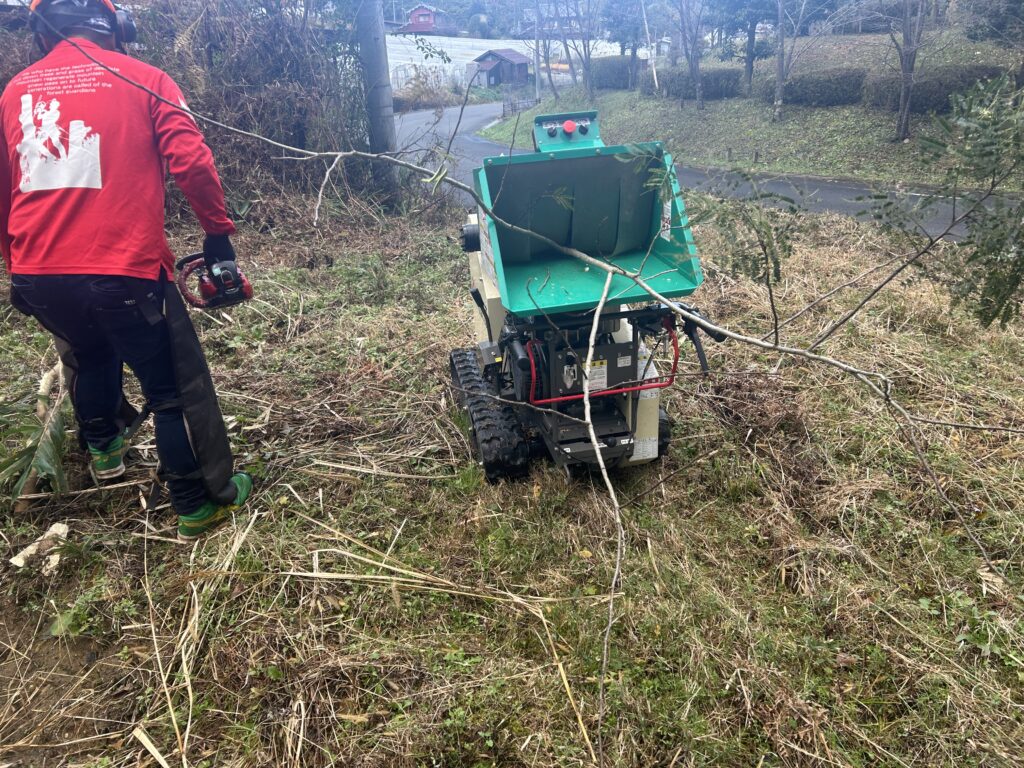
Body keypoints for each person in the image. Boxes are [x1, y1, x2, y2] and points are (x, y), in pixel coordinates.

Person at [0, 0, 252, 541]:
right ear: (116, 26)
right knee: (170, 390)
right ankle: (197, 505)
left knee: (91, 353)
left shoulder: (16, 90)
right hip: (123, 271)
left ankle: (105, 457)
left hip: (38, 275)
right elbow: (193, 162)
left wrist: (16, 264)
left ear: (43, 32)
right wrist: (216, 235)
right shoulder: (145, 78)